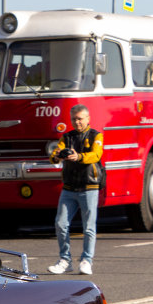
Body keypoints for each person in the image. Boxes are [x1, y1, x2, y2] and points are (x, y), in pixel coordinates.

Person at [47, 104, 104, 275]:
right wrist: (57, 155)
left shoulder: (96, 135)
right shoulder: (67, 137)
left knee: (88, 227)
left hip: (89, 186)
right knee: (61, 223)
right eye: (74, 119)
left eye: (80, 119)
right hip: (69, 187)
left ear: (88, 119)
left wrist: (78, 156)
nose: (77, 122)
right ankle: (65, 260)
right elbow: (53, 157)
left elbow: (96, 155)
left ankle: (87, 260)